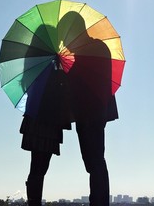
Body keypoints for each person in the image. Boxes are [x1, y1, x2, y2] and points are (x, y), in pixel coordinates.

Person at [20, 11, 117, 206]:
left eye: (64, 35)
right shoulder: (96, 48)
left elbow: (80, 85)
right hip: (87, 115)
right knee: (94, 162)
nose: (63, 42)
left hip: (85, 115)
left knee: (92, 162)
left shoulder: (85, 53)